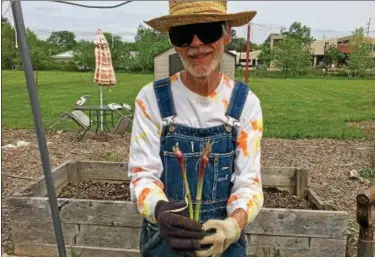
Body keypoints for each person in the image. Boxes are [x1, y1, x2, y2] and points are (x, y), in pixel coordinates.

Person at [128, 1, 264, 257]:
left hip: (222, 240)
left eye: (208, 30)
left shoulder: (245, 104)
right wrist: (161, 211)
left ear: (227, 34)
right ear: (174, 42)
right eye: (183, 33)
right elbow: (142, 174)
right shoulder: (151, 100)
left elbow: (249, 183)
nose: (196, 43)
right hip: (165, 238)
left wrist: (233, 225)